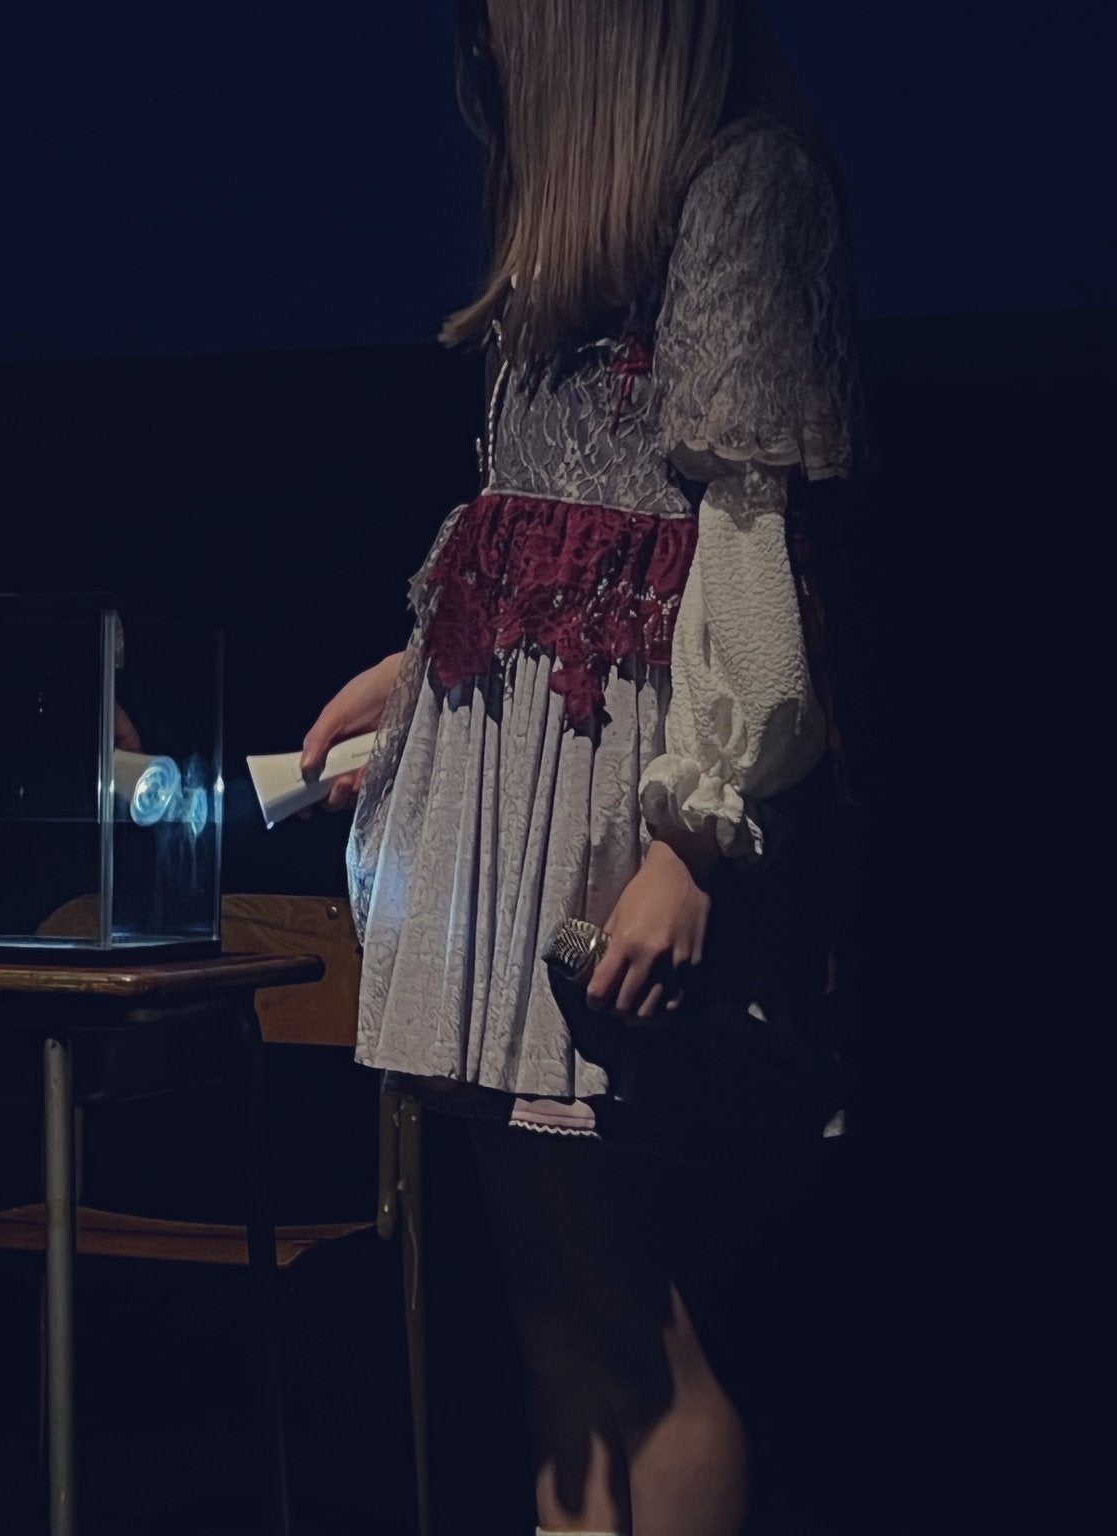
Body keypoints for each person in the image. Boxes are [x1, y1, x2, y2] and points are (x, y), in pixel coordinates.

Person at [300, 2, 864, 1531]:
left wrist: (694, 840)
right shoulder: (565, 234)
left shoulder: (740, 180)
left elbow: (749, 556)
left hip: (626, 813)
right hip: (521, 789)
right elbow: (557, 531)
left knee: (631, 1324)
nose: (492, 54)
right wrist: (424, 684)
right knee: (559, 1319)